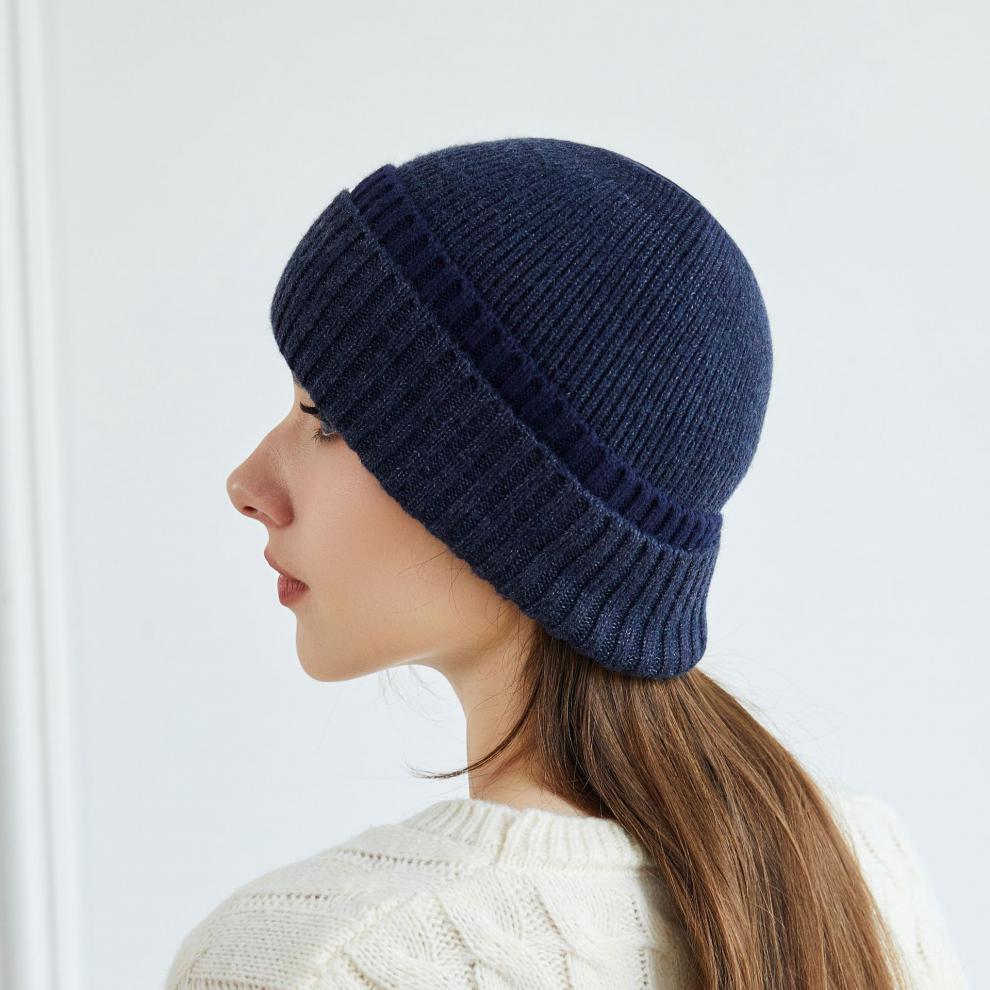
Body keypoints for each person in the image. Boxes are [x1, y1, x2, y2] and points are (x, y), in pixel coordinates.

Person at [165, 137, 969, 989]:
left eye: (325, 420)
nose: (247, 485)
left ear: (502, 499)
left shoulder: (320, 960)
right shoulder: (861, 874)